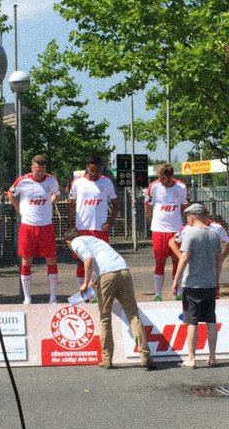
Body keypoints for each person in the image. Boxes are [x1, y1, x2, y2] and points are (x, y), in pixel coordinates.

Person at [65, 229, 152, 370]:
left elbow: (88, 259)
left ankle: (107, 359)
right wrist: (94, 280)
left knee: (105, 318)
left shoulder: (76, 242)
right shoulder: (95, 240)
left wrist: (86, 283)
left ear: (68, 242)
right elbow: (98, 262)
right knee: (133, 315)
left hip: (107, 274)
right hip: (123, 269)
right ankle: (145, 356)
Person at [171, 203, 229, 369]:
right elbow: (218, 260)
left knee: (192, 321)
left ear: (191, 217)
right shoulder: (214, 234)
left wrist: (176, 280)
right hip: (210, 283)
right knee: (210, 320)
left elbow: (184, 258)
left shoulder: (190, 234)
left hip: (192, 283)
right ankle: (212, 357)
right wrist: (217, 280)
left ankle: (191, 358)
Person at [8, 154, 61, 304]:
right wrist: (19, 210)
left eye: (42, 170)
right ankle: (27, 298)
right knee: (26, 260)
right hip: (28, 226)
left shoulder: (51, 180)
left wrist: (50, 202)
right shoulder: (23, 181)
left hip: (46, 226)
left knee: (51, 259)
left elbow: (57, 195)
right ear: (32, 168)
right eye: (37, 170)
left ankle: (53, 297)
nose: (39, 173)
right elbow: (10, 194)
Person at [67, 155, 118, 287]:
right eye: (92, 170)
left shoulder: (106, 182)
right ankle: (83, 292)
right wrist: (71, 226)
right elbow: (71, 205)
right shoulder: (78, 183)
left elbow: (116, 204)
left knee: (100, 261)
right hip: (82, 228)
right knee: (80, 260)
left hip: (100, 228)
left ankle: (97, 292)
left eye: (97, 170)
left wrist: (110, 223)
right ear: (87, 168)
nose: (94, 173)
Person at [143, 163, 188, 301]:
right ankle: (158, 294)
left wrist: (177, 220)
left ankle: (178, 292)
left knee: (177, 260)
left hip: (175, 230)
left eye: (163, 178)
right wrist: (153, 222)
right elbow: (148, 206)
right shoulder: (154, 186)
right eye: (159, 178)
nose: (161, 181)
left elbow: (184, 206)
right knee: (160, 261)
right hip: (159, 230)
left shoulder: (181, 187)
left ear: (170, 177)